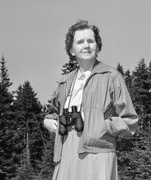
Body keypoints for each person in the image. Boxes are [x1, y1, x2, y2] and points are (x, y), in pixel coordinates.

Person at [43, 20, 138, 180]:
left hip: (98, 154)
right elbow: (52, 113)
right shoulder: (64, 82)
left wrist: (101, 123)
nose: (86, 45)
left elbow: (130, 122)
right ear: (72, 50)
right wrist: (48, 122)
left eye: (90, 41)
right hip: (65, 153)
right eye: (80, 41)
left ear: (97, 46)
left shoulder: (111, 76)